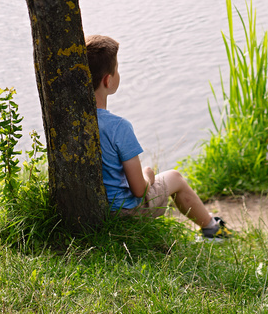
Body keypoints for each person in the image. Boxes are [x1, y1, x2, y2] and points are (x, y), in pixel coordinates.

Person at [86, 34, 232, 240]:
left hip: (92, 211)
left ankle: (211, 226)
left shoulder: (73, 124)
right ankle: (213, 229)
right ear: (108, 80)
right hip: (124, 215)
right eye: (117, 69)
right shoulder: (118, 127)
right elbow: (138, 190)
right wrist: (148, 175)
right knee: (175, 177)